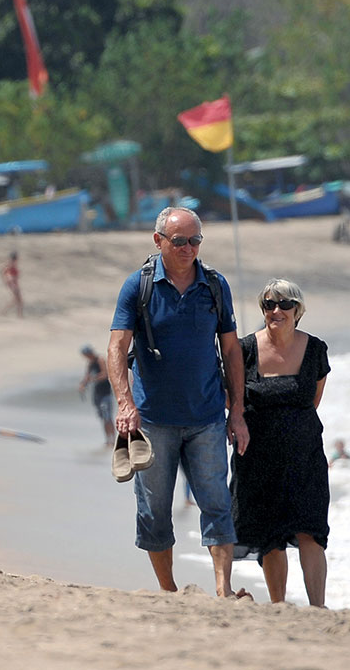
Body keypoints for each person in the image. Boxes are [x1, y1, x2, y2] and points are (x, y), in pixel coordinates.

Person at [107, 206, 250, 598]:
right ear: (159, 241)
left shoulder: (215, 285)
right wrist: (125, 403)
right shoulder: (138, 286)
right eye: (180, 241)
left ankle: (223, 589)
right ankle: (169, 590)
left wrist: (237, 411)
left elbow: (231, 350)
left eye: (195, 240)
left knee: (217, 503)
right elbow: (117, 347)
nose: (189, 248)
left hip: (207, 417)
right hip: (153, 420)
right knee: (153, 511)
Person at [230, 279, 331, 607]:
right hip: (257, 458)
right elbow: (232, 400)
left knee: (310, 531)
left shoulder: (315, 349)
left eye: (285, 304)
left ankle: (318, 607)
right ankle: (279, 606)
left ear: (297, 310)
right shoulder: (245, 349)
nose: (277, 310)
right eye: (269, 304)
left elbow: (312, 400)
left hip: (305, 457)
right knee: (270, 537)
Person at [79, 344, 115, 446]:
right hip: (97, 394)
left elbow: (105, 374)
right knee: (103, 418)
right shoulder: (90, 363)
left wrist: (93, 379)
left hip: (105, 393)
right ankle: (107, 440)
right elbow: (87, 376)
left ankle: (113, 440)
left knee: (108, 417)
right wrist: (83, 384)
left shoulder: (100, 360)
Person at [1, 251, 24, 318]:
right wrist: (10, 281)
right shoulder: (11, 264)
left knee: (17, 300)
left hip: (14, 284)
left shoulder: (11, 264)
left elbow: (5, 272)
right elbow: (8, 274)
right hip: (13, 285)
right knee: (19, 300)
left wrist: (7, 280)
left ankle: (5, 312)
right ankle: (19, 315)